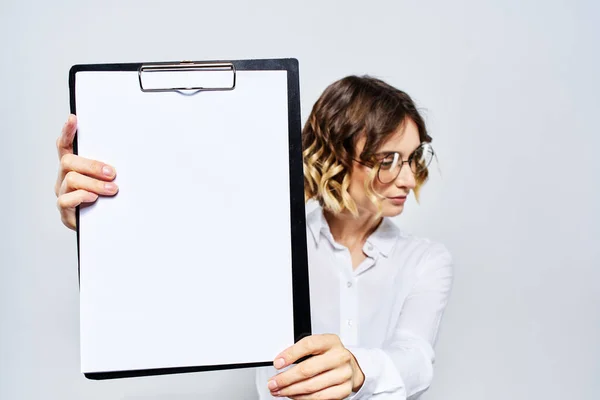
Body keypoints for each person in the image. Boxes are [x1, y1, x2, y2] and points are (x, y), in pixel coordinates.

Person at [55, 75, 453, 400]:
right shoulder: (265, 244)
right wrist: (99, 219)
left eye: (413, 158)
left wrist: (358, 369)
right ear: (335, 155)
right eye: (388, 161)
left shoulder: (425, 260)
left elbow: (415, 356)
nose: (406, 178)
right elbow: (179, 263)